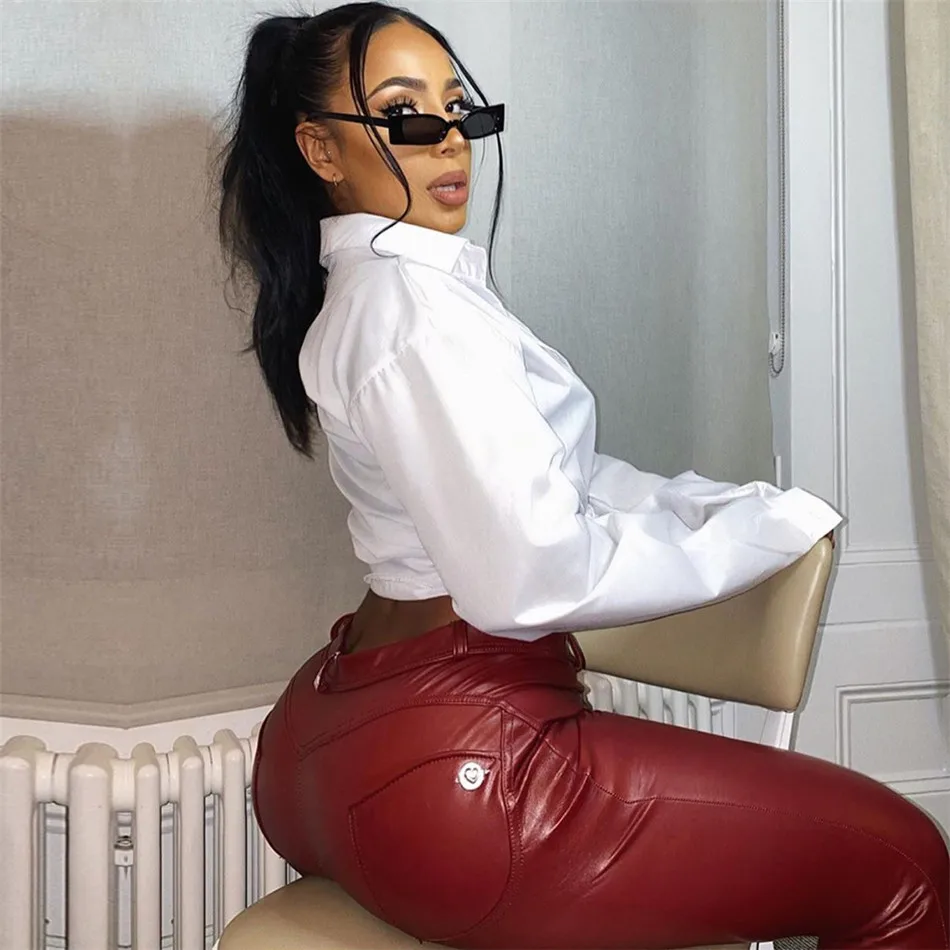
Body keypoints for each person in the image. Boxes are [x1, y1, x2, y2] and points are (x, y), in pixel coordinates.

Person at [214, 4, 950, 947]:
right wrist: (748, 536)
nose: (450, 141)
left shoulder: (372, 297)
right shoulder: (414, 312)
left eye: (458, 110)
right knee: (903, 861)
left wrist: (716, 507)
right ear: (320, 149)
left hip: (329, 736)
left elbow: (553, 476)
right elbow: (532, 577)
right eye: (405, 115)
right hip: (451, 767)